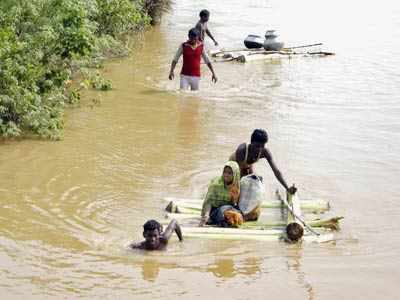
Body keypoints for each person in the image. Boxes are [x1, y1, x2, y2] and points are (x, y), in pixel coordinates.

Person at [229, 129, 297, 194]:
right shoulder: (242, 150)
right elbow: (239, 175)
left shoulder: (265, 152)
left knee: (257, 181)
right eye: (257, 146)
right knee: (240, 186)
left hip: (248, 165)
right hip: (234, 165)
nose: (260, 149)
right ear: (251, 142)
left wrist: (287, 188)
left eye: (262, 146)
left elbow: (276, 171)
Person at [200, 161, 243, 227]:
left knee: (237, 214)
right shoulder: (216, 185)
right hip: (214, 211)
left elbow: (234, 204)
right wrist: (205, 217)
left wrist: (234, 199)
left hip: (228, 209)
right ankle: (224, 222)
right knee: (223, 211)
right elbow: (208, 202)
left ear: (235, 174)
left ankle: (228, 221)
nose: (226, 175)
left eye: (229, 173)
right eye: (225, 172)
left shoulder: (236, 185)